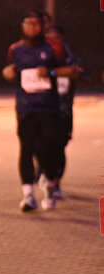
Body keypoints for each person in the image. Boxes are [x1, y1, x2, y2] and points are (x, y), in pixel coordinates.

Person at [2, 11, 80, 211]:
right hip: (25, 107)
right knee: (26, 148)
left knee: (49, 149)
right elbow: (9, 69)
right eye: (27, 23)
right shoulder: (15, 49)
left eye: (36, 23)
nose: (31, 27)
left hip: (49, 107)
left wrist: (51, 72)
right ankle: (28, 194)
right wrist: (8, 72)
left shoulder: (54, 48)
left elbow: (73, 70)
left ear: (42, 26)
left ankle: (50, 182)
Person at [44, 25, 83, 198]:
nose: (53, 42)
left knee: (59, 147)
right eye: (50, 38)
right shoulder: (41, 58)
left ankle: (56, 182)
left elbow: (81, 74)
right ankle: (45, 174)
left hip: (63, 110)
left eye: (57, 38)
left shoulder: (70, 58)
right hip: (43, 108)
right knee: (41, 146)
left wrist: (70, 72)